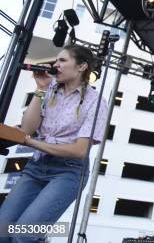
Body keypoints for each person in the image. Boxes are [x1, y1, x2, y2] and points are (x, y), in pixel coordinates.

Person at [0, 45, 109, 242]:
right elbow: (27, 129)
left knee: (23, 235)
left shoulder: (96, 102)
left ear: (82, 66)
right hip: (37, 166)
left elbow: (80, 150)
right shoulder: (49, 89)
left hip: (67, 172)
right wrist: (40, 89)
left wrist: (30, 143)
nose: (56, 65)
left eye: (62, 61)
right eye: (56, 61)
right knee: (2, 231)